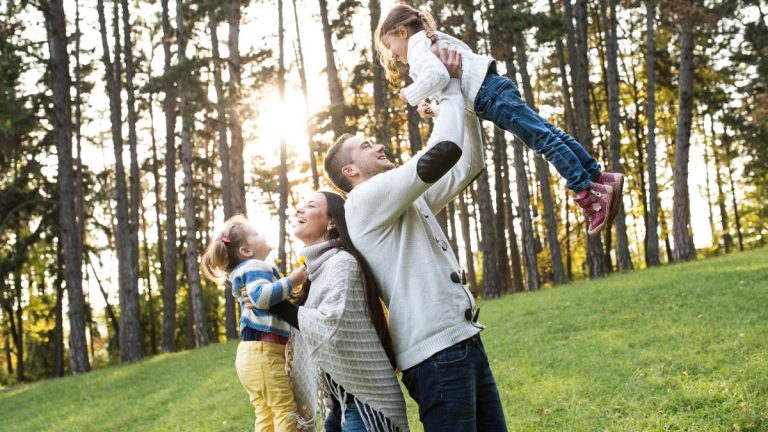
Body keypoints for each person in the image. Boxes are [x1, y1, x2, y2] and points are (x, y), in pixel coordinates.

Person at [323, 47, 507, 430]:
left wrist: (453, 101)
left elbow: (468, 163)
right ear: (351, 171)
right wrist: (449, 89)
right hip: (436, 356)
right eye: (366, 146)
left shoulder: (401, 200)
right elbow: (442, 152)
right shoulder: (363, 201)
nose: (378, 145)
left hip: (462, 342)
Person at [374, 3, 624, 235]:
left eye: (390, 46)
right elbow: (458, 75)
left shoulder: (417, 48)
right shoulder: (432, 38)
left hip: (489, 96)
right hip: (493, 87)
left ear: (402, 31)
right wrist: (436, 109)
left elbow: (439, 76)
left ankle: (589, 193)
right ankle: (598, 178)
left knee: (543, 141)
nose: (393, 56)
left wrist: (412, 94)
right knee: (549, 133)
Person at [248, 191, 408, 432]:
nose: (299, 209)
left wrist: (277, 305)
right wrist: (261, 297)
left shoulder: (342, 263)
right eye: (301, 205)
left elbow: (330, 325)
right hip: (340, 404)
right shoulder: (316, 271)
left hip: (368, 402)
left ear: (332, 221)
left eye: (310, 205)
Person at [201, 215, 308, 432]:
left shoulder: (247, 269)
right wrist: (293, 280)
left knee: (266, 414)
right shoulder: (255, 266)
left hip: (252, 355)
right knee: (285, 409)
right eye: (256, 234)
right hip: (264, 354)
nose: (263, 234)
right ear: (246, 250)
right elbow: (261, 297)